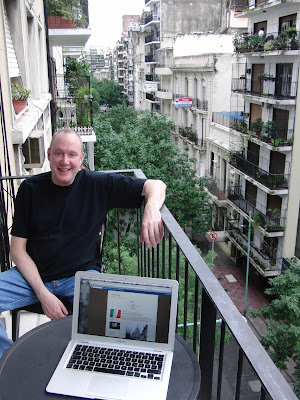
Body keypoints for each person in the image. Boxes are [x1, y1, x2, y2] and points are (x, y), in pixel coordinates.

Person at [0, 129, 166, 358]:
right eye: (58, 153)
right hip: (33, 277)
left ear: (81, 159)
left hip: (80, 277)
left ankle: (91, 369)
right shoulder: (30, 189)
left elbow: (156, 185)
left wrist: (151, 208)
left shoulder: (97, 185)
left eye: (71, 154)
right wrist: (42, 293)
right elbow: (17, 251)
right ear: (49, 155)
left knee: (120, 318)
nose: (65, 161)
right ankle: (9, 364)